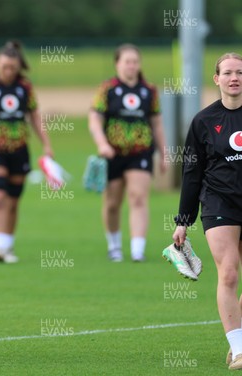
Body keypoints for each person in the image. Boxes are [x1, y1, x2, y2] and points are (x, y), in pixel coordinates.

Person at [169, 52, 242, 370]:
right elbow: (191, 173)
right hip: (218, 203)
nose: (234, 78)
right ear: (217, 79)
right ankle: (239, 350)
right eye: (228, 73)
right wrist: (183, 221)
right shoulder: (202, 122)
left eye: (240, 72)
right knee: (228, 271)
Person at [0, 40, 53, 263]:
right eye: (4, 67)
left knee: (13, 201)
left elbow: (35, 117)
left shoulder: (25, 88)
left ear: (18, 67)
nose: (8, 71)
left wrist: (47, 144)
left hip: (19, 149)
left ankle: (8, 245)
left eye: (12, 68)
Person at [88, 43, 167, 262]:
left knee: (138, 197)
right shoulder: (107, 89)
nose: (131, 66)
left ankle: (137, 249)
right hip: (112, 154)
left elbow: (157, 124)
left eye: (135, 62)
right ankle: (114, 246)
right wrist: (102, 143)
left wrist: (164, 153)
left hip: (140, 152)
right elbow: (95, 119)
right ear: (117, 64)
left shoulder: (148, 90)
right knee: (112, 203)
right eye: (127, 62)